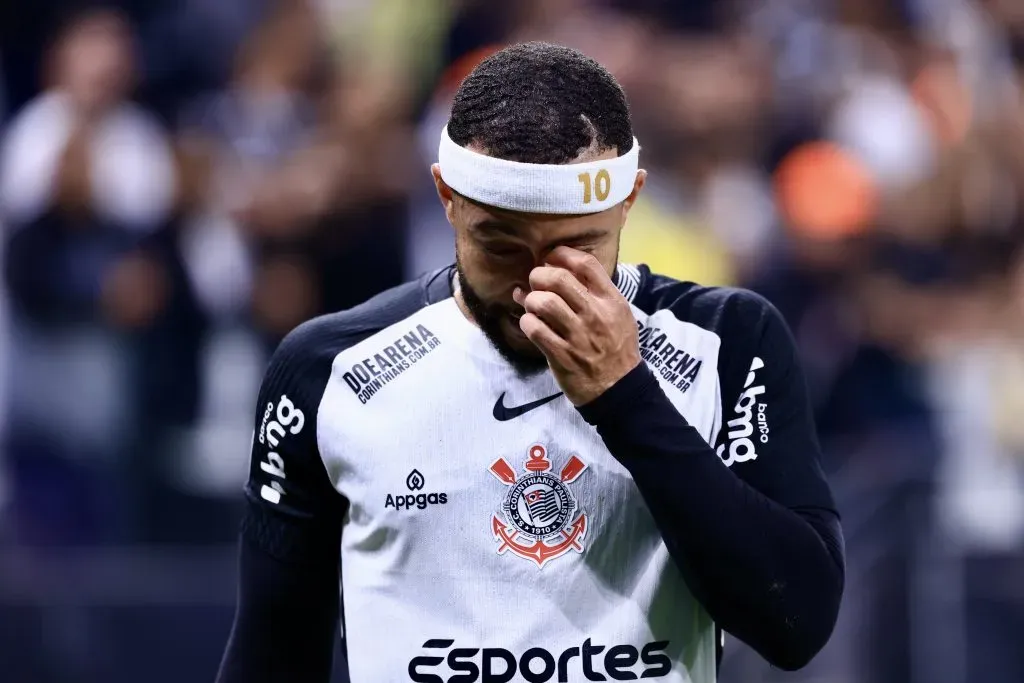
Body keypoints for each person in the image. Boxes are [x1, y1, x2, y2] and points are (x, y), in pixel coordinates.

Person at [216, 42, 844, 683]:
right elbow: (271, 652)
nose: (534, 287)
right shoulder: (329, 371)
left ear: (630, 200)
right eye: (501, 245)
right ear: (447, 197)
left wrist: (626, 397)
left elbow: (795, 622)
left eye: (577, 247)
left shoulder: (726, 341)